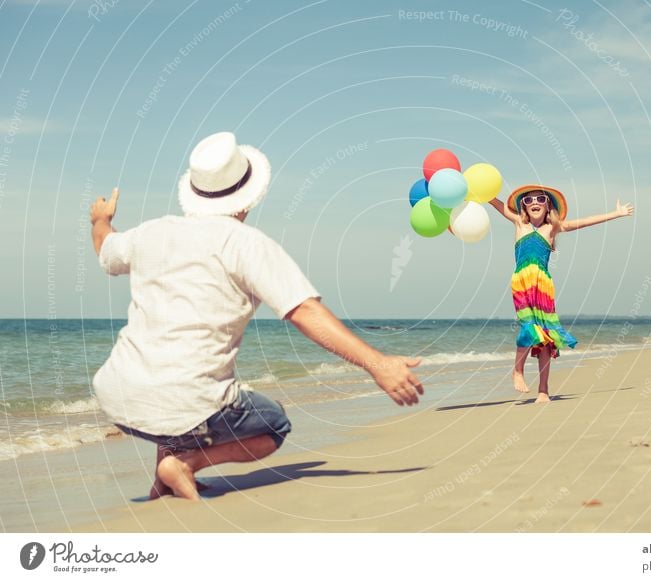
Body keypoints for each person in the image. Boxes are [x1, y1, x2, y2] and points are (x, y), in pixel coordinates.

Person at [90, 132, 424, 501]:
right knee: (273, 424)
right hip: (188, 404)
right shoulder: (247, 243)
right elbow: (303, 310)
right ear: (247, 196)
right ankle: (186, 465)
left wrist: (101, 219)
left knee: (180, 388)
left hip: (116, 394)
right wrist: (377, 364)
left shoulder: (151, 232)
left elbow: (106, 249)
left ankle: (166, 477)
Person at [488, 185, 633, 402]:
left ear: (548, 206)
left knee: (547, 337)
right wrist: (474, 189)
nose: (534, 202)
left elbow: (584, 222)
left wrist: (616, 214)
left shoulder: (552, 228)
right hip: (522, 283)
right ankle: (517, 371)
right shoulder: (519, 223)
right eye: (528, 200)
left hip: (543, 286)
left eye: (540, 199)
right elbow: (494, 201)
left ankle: (543, 390)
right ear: (523, 208)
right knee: (529, 327)